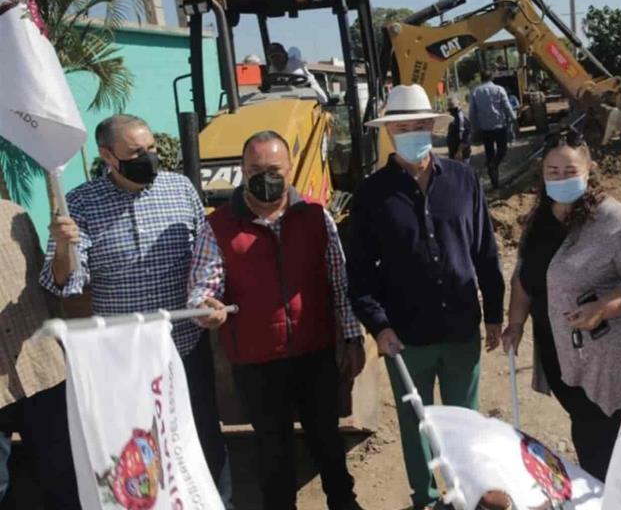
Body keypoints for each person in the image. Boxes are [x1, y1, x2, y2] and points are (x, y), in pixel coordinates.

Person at [38, 114, 230, 502]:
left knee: (201, 438)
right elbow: (64, 282)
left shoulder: (181, 190)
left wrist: (208, 299)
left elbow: (205, 261)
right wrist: (63, 246)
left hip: (184, 347)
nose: (149, 158)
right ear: (108, 155)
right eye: (136, 153)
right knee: (137, 448)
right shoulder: (81, 204)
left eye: (153, 149)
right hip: (122, 358)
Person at [348, 85, 505, 510]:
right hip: (405, 335)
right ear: (390, 133)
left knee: (463, 421)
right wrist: (378, 326)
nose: (413, 132)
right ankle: (427, 497)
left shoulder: (463, 179)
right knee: (416, 423)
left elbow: (485, 251)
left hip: (460, 328)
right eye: (404, 127)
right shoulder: (372, 194)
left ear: (434, 129)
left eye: (421, 125)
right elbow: (359, 272)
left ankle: (468, 493)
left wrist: (493, 313)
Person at [189, 130, 364, 510]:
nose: (264, 177)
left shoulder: (317, 218)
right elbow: (204, 287)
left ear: (290, 170)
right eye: (254, 169)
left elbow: (339, 282)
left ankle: (343, 502)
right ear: (242, 171)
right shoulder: (218, 227)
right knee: (272, 448)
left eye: (273, 169)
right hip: (256, 361)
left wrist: (352, 339)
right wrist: (208, 307)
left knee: (327, 439)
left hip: (314, 351)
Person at [500, 131, 621, 481]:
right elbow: (523, 277)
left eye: (570, 170)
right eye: (553, 171)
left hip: (610, 357)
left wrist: (604, 306)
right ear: (542, 174)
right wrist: (514, 324)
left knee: (608, 438)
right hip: (559, 351)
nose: (562, 178)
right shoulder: (538, 221)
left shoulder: (614, 220)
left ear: (589, 169)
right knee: (586, 427)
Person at [0, 199, 81, 508]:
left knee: (65, 478)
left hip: (43, 372)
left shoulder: (14, 214)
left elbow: (50, 285)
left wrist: (63, 251)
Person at [469, 69, 516, 188]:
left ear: (481, 78)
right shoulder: (499, 89)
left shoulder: (475, 92)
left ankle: (495, 183)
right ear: (492, 78)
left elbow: (472, 113)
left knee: (489, 154)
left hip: (485, 129)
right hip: (499, 126)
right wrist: (514, 120)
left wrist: (474, 128)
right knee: (502, 150)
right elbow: (507, 107)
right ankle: (494, 165)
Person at [446, 95, 472, 161]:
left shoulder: (462, 119)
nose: (450, 107)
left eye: (452, 105)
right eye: (449, 105)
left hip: (461, 154)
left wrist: (459, 152)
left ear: (459, 104)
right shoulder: (453, 117)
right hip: (453, 152)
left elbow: (466, 138)